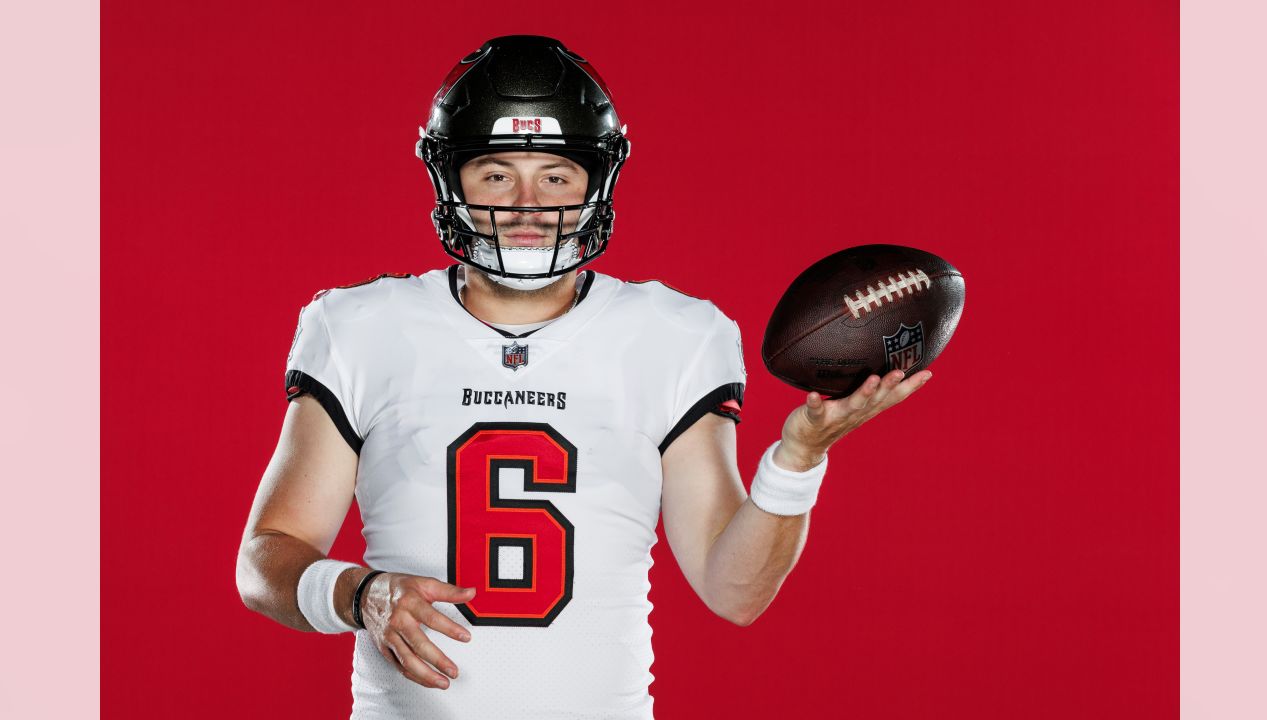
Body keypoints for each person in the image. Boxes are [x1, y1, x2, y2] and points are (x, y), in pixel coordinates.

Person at [235, 35, 931, 719]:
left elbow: (734, 591)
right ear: (453, 181)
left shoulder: (677, 335)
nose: (530, 203)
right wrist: (359, 593)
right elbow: (263, 562)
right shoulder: (359, 325)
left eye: (557, 175)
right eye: (496, 173)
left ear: (598, 180)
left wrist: (799, 459)